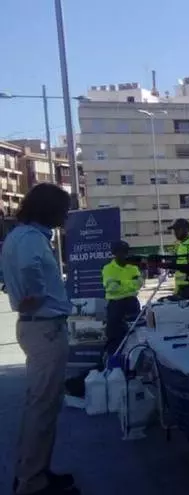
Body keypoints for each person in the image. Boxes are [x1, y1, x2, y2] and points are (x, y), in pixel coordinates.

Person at [0, 183, 79, 495]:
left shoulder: (19, 235)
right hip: (45, 329)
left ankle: (35, 472)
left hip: (38, 328)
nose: (66, 215)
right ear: (49, 209)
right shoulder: (32, 239)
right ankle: (31, 482)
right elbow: (29, 268)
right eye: (63, 209)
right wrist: (34, 295)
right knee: (42, 408)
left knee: (42, 405)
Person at [102, 240, 143, 356]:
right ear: (115, 253)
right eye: (121, 252)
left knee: (135, 334)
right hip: (116, 305)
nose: (125, 255)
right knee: (114, 336)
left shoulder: (133, 268)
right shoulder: (108, 268)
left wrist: (120, 282)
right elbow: (112, 288)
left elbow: (139, 283)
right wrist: (130, 284)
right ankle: (114, 361)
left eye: (126, 252)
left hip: (132, 304)